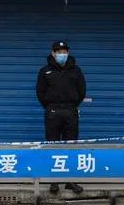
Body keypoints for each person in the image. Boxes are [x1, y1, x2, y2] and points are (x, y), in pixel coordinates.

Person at [36, 41, 86, 195]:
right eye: (59, 52)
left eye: (64, 51)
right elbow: (40, 92)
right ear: (53, 54)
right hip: (52, 112)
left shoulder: (76, 71)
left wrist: (71, 105)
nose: (61, 54)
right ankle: (54, 181)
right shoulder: (45, 71)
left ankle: (70, 181)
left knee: (71, 147)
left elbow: (82, 91)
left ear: (68, 53)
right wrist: (50, 107)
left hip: (70, 111)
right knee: (53, 145)